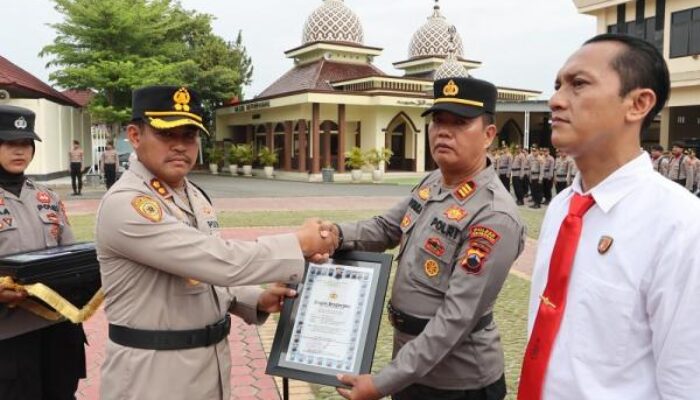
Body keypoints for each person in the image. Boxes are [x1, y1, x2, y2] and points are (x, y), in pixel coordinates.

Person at [95, 86, 336, 400]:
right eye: (168, 134)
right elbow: (220, 261)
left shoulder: (192, 194)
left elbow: (200, 274)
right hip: (151, 373)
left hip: (208, 364)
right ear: (135, 136)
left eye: (190, 135)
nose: (181, 146)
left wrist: (256, 299)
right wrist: (298, 243)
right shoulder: (127, 204)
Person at [518, 33, 700, 400]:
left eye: (578, 84)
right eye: (557, 86)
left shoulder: (681, 225)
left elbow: (687, 381)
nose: (555, 100)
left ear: (637, 104)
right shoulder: (562, 208)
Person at [329, 77, 525, 400]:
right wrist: (333, 235)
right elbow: (384, 228)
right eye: (438, 121)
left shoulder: (493, 215)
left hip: (458, 384)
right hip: (411, 368)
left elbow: (454, 320)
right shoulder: (434, 181)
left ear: (489, 134)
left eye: (460, 123)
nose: (444, 131)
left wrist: (381, 383)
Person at [0, 105, 86, 399]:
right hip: (9, 336)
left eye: (26, 143)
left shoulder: (46, 196)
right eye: (10, 143)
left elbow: (70, 254)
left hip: (57, 326)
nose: (19, 151)